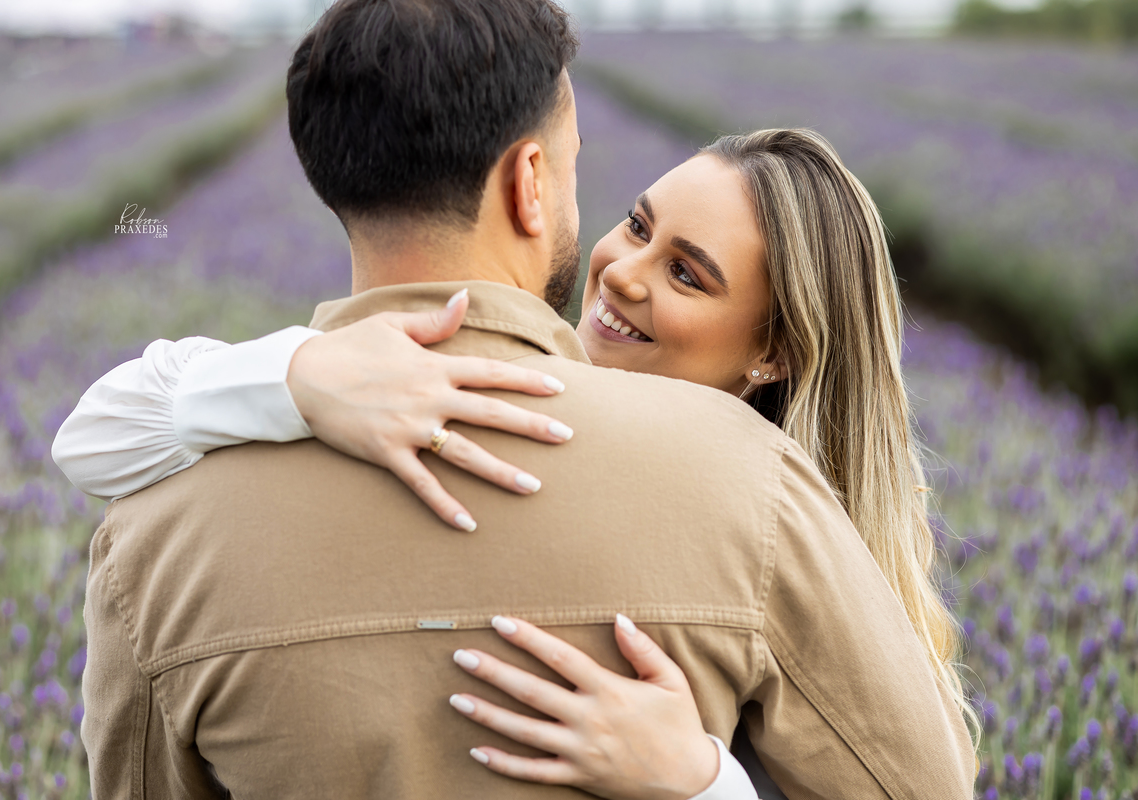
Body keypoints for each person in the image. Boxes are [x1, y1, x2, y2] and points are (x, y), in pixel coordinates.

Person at [60, 0, 977, 797]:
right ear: (529, 183)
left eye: (689, 272)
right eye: (635, 220)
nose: (622, 270)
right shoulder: (756, 490)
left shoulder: (153, 539)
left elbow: (98, 441)